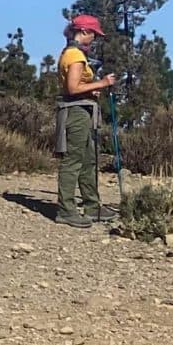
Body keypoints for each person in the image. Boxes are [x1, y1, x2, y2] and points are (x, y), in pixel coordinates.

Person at [55, 14, 119, 227]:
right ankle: (66, 209)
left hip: (83, 110)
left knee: (89, 160)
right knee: (73, 161)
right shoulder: (75, 56)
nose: (94, 39)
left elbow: (77, 87)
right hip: (76, 112)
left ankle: (92, 207)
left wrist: (92, 91)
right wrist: (101, 83)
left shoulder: (71, 53)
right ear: (84, 32)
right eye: (93, 34)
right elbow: (73, 88)